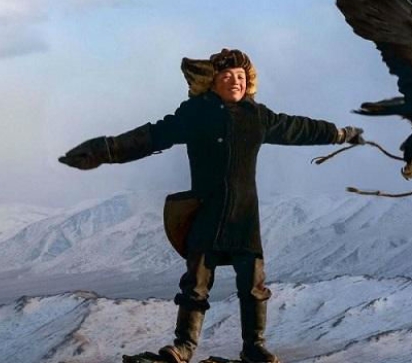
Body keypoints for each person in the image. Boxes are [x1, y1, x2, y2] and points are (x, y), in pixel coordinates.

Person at [59, 49, 364, 363]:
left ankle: (254, 348)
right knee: (195, 285)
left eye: (241, 77)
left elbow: (298, 128)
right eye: (227, 76)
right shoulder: (195, 114)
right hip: (207, 213)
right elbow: (153, 135)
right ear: (212, 82)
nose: (235, 82)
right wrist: (104, 150)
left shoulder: (257, 117)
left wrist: (339, 134)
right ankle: (184, 348)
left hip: (245, 217)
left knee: (254, 286)